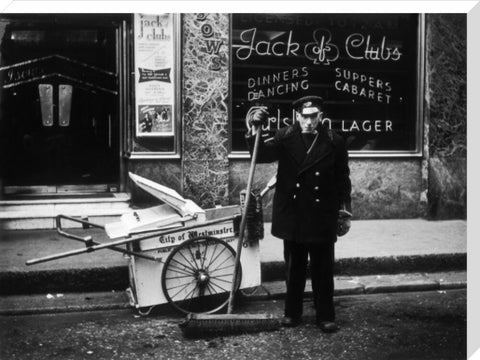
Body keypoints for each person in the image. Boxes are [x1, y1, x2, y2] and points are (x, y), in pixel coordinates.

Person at [245, 96, 352, 333]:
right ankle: (292, 313)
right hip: (293, 213)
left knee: (323, 269)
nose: (309, 121)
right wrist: (255, 128)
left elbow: (343, 178)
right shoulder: (285, 136)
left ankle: (325, 315)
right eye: (305, 116)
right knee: (294, 267)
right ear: (297, 116)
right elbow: (260, 154)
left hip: (323, 212)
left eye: (314, 116)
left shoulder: (335, 141)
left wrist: (344, 211)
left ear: (321, 116)